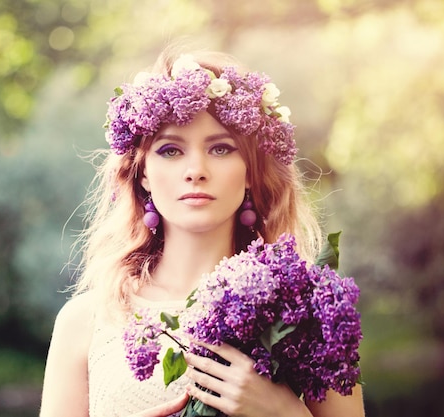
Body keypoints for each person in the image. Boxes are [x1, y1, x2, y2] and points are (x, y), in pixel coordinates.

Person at [40, 45, 365, 417]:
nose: (195, 169)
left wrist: (284, 413)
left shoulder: (309, 312)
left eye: (221, 149)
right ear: (143, 173)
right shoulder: (86, 321)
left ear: (250, 173)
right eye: (171, 151)